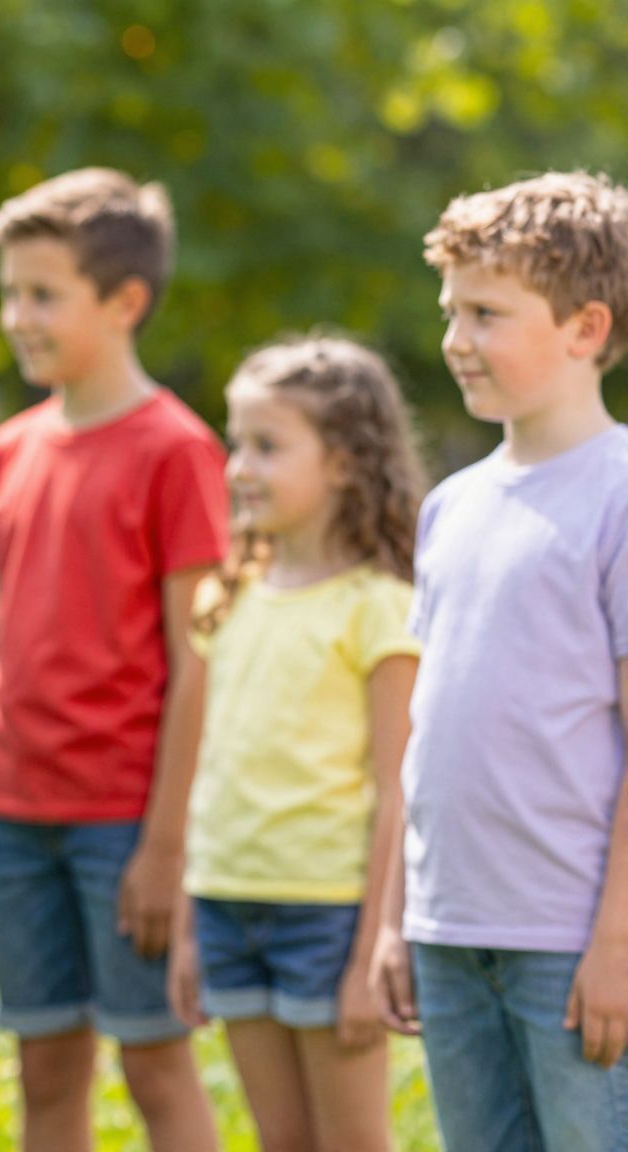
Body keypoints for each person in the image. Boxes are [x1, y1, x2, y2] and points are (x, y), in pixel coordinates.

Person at [0, 167, 225, 1152]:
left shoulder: (176, 450)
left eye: (41, 295)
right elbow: (5, 648)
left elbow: (197, 661)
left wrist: (165, 846)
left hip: (123, 819)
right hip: (18, 818)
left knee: (155, 1063)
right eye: (9, 292)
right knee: (43, 1070)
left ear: (123, 301)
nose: (15, 316)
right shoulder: (5, 450)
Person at [371, 171, 628, 1152]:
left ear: (583, 327)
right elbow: (422, 733)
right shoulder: (450, 506)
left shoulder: (613, 495)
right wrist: (399, 914)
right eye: (448, 311)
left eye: (484, 313)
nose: (452, 341)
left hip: (567, 942)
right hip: (448, 930)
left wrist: (614, 940)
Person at [169, 335, 424, 1151]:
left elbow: (399, 789)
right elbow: (209, 768)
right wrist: (184, 925)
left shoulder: (378, 606)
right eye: (236, 442)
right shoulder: (227, 593)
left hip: (329, 914)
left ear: (347, 463)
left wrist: (367, 957)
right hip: (226, 901)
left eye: (268, 446)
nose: (240, 466)